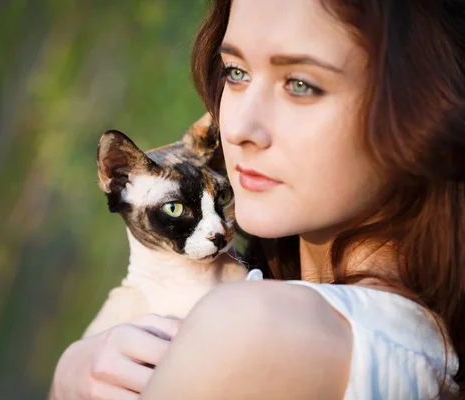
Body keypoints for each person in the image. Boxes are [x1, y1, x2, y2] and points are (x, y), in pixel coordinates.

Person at [49, 0, 465, 398]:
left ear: (421, 112)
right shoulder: (421, 338)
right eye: (235, 72)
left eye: (300, 85)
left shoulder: (251, 329)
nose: (238, 127)